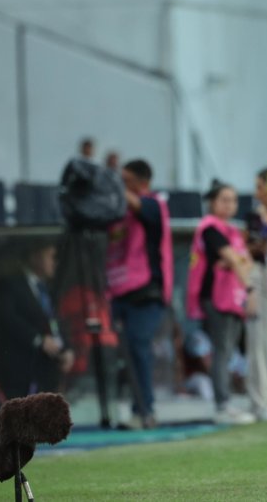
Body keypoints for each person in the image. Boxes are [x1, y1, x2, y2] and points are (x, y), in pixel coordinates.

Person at [106, 159, 174, 428]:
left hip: (147, 292)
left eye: (125, 181)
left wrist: (110, 183)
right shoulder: (114, 211)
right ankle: (136, 409)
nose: (120, 187)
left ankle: (145, 410)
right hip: (117, 291)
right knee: (122, 352)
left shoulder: (154, 204)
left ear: (141, 183)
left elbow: (137, 205)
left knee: (138, 345)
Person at [185, 180, 256, 425]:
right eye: (224, 200)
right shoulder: (210, 228)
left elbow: (243, 261)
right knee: (222, 351)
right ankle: (222, 405)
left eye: (233, 200)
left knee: (228, 352)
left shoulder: (233, 231)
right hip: (216, 297)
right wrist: (249, 287)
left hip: (234, 296)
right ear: (212, 203)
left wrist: (236, 263)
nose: (229, 205)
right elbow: (234, 260)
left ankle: (226, 402)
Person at [0, 242, 74, 399]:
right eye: (51, 256)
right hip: (19, 370)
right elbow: (6, 317)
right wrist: (38, 339)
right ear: (36, 257)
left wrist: (67, 348)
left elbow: (55, 321)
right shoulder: (11, 284)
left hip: (47, 371)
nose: (55, 262)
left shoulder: (49, 289)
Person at [243, 167, 267, 421]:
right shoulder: (256, 217)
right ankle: (262, 401)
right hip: (260, 280)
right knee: (259, 345)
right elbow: (252, 250)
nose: (258, 193)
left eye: (261, 186)